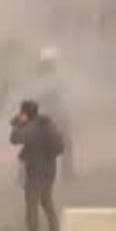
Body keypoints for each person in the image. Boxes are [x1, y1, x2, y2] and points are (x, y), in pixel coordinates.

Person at [10, 100, 65, 231]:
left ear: (25, 113)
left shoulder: (30, 128)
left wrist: (17, 124)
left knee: (31, 204)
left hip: (35, 172)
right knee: (46, 201)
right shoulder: (46, 124)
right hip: (50, 170)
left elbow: (14, 139)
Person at [33, 47, 77, 180]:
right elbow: (43, 96)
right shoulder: (45, 79)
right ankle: (66, 173)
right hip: (50, 115)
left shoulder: (48, 77)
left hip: (53, 115)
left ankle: (67, 173)